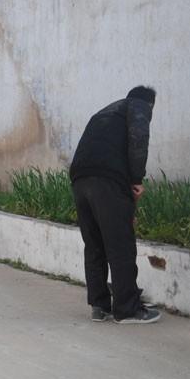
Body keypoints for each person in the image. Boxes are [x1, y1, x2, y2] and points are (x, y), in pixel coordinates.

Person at [69, 85, 160, 324]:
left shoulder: (104, 113)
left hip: (80, 179)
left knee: (95, 244)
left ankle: (100, 306)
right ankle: (127, 309)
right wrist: (136, 180)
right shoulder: (139, 106)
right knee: (120, 243)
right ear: (149, 104)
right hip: (107, 181)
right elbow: (139, 140)